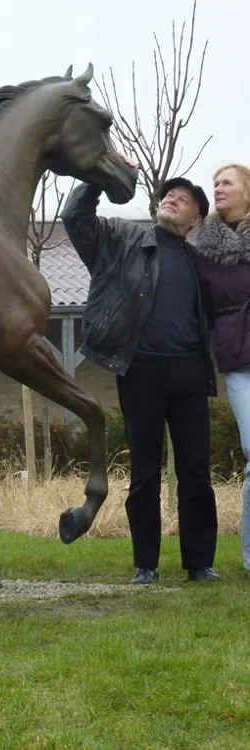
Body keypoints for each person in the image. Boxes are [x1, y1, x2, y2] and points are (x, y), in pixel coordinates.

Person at [61, 162, 221, 584]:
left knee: (195, 471)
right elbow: (75, 218)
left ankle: (200, 564)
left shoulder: (200, 260)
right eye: (169, 195)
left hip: (189, 373)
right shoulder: (122, 238)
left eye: (182, 199)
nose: (171, 199)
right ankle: (145, 566)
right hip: (140, 371)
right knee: (145, 472)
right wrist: (98, 174)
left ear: (195, 221)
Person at [192, 163, 250, 578]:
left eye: (227, 182)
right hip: (239, 359)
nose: (218, 188)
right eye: (215, 183)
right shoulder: (202, 249)